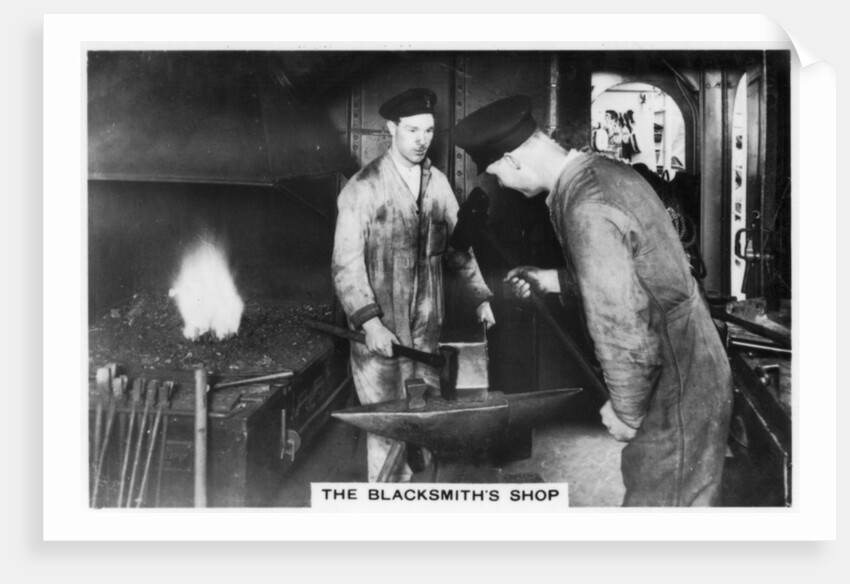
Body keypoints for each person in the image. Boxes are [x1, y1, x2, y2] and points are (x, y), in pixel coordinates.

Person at [453, 95, 732, 506]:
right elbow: (630, 272)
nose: (502, 185)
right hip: (688, 356)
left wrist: (627, 410)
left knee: (663, 504)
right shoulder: (598, 171)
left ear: (512, 160)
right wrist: (552, 279)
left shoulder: (585, 205)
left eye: (496, 175)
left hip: (675, 371)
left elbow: (619, 319)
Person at [332, 88, 496, 483]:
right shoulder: (362, 188)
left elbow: (458, 249)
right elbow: (345, 266)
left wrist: (480, 297)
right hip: (381, 338)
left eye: (429, 131)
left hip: (425, 334)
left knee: (427, 424)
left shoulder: (437, 183)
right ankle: (387, 503)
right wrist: (371, 324)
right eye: (412, 130)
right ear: (392, 129)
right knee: (387, 428)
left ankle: (421, 504)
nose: (422, 140)